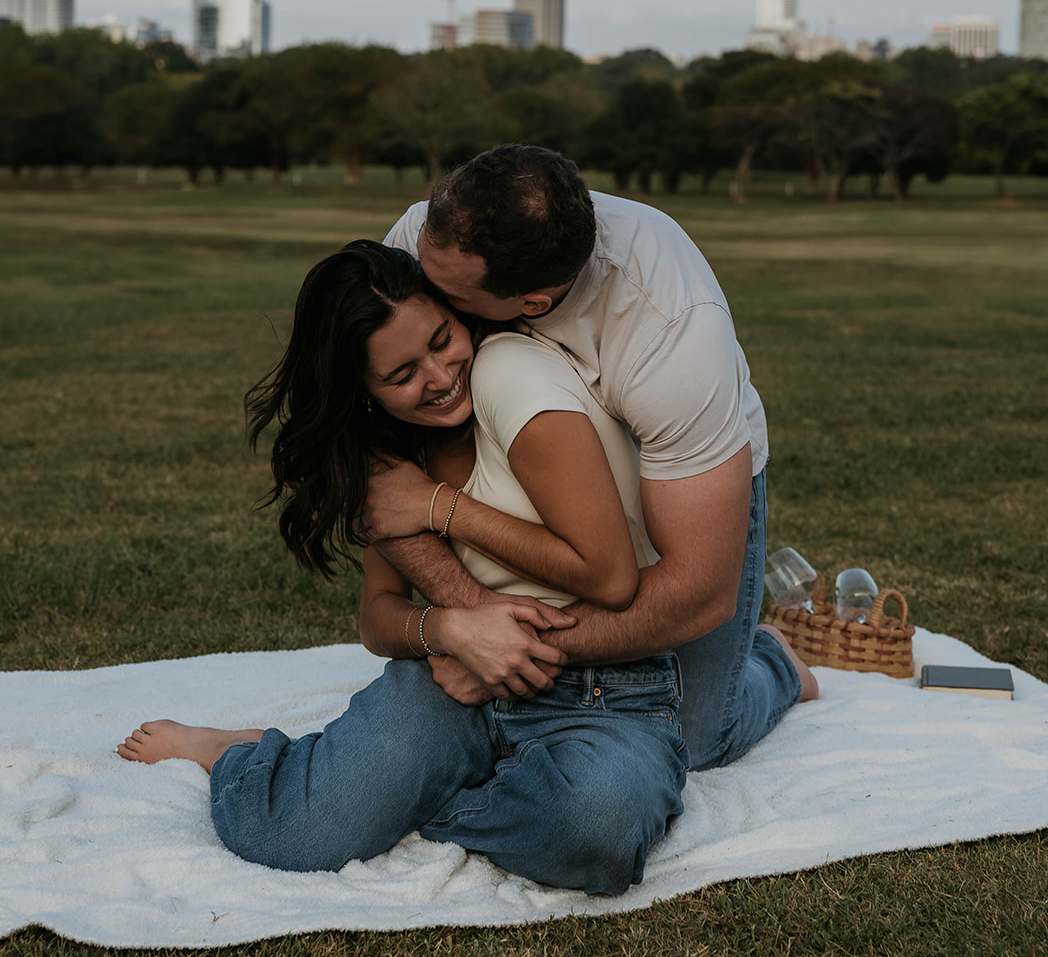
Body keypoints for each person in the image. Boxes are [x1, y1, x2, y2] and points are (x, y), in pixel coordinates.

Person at [118, 241, 693, 896]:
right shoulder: (388, 459)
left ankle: (367, 783)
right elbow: (378, 616)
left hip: (603, 694)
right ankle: (251, 757)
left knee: (593, 836)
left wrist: (437, 506)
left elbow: (609, 577)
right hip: (450, 687)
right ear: (362, 390)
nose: (440, 374)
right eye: (401, 375)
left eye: (443, 340)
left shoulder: (514, 381)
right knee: (294, 837)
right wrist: (448, 632)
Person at [372, 144, 816, 773]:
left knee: (691, 734)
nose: (418, 279)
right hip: (514, 470)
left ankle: (773, 658)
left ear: (530, 304)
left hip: (667, 483)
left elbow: (697, 592)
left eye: (443, 294)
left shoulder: (672, 329)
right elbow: (361, 449)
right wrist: (469, 618)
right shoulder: (427, 239)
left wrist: (511, 652)